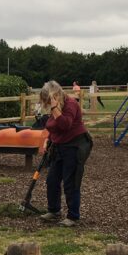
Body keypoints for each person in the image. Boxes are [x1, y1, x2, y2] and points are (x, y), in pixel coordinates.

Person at [38, 80, 92, 227]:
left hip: (75, 146)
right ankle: (54, 210)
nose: (48, 104)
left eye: (49, 100)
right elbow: (53, 127)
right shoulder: (56, 107)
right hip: (59, 147)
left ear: (55, 95)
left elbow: (65, 124)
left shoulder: (71, 104)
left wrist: (55, 108)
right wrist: (48, 140)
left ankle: (73, 216)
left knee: (71, 181)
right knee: (52, 180)